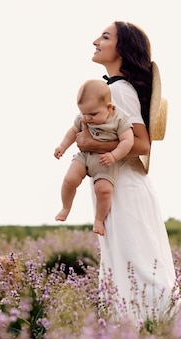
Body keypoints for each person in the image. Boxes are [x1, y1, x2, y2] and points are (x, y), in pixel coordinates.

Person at [76, 21, 181, 324]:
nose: (96, 40)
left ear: (121, 49)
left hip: (124, 189)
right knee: (127, 268)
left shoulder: (118, 91)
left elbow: (142, 142)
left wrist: (89, 143)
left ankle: (165, 337)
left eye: (105, 37)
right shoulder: (115, 89)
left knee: (139, 269)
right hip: (119, 186)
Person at [54, 79, 134, 236]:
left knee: (103, 191)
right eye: (84, 113)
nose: (87, 118)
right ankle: (66, 207)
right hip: (85, 156)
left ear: (109, 107)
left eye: (93, 114)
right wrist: (62, 146)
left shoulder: (120, 119)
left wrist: (113, 155)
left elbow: (128, 141)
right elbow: (72, 132)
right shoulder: (83, 117)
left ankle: (98, 219)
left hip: (106, 162)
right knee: (70, 180)